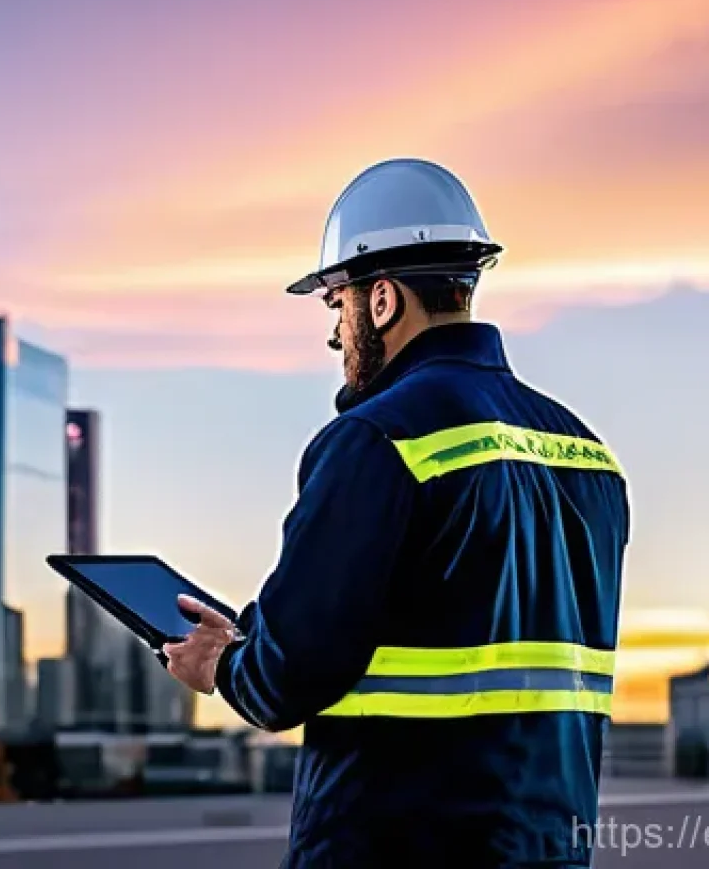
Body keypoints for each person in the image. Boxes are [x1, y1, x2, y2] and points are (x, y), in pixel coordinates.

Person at [163, 158, 629, 867]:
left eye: (336, 306)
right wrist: (255, 635)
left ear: (380, 300)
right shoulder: (587, 455)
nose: (335, 335)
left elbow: (286, 680)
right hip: (547, 847)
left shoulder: (377, 439)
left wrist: (223, 666)